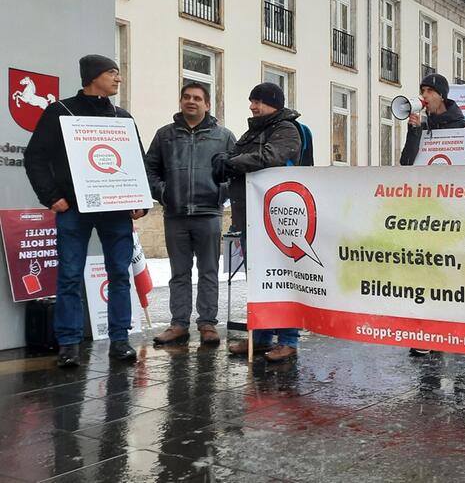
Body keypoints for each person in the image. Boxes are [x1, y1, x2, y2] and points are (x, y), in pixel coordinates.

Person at [24, 54, 148, 367]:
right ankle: (68, 344)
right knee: (68, 276)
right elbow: (35, 158)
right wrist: (52, 197)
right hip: (74, 210)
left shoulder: (122, 117)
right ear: (93, 77)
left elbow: (137, 163)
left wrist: (140, 200)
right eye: (112, 73)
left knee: (120, 274)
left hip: (116, 212)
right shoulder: (59, 112)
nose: (118, 79)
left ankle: (120, 340)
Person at [213, 82, 303, 363]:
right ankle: (261, 337)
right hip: (250, 217)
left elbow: (270, 157)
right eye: (252, 100)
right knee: (260, 281)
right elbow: (244, 160)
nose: (253, 106)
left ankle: (288, 340)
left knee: (283, 279)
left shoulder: (286, 130)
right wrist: (225, 162)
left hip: (275, 220)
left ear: (274, 104)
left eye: (259, 101)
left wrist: (233, 162)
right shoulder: (254, 131)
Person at [400, 73, 465, 355]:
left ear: (441, 95)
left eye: (429, 90)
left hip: (454, 212)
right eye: (422, 89)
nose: (424, 95)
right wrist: (414, 131)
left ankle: (453, 330)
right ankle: (426, 333)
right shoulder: (422, 126)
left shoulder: (463, 128)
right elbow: (406, 163)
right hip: (426, 211)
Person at [145, 83, 235, 346]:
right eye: (186, 97)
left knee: (209, 271)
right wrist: (163, 193)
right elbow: (149, 169)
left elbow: (236, 171)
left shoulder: (224, 136)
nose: (191, 101)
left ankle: (207, 324)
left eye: (197, 98)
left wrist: (221, 194)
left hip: (209, 214)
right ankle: (178, 324)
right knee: (179, 273)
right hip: (175, 214)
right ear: (181, 101)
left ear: (207, 105)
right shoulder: (165, 136)